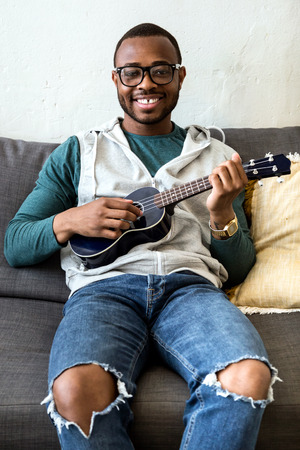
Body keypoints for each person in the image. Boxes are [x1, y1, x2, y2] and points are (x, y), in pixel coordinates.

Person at [5, 23, 278, 450]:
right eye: (131, 72)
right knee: (76, 390)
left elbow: (239, 267)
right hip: (102, 292)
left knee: (248, 377)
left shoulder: (220, 158)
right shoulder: (80, 151)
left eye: (161, 70)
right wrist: (73, 220)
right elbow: (15, 243)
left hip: (193, 290)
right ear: (116, 79)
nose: (146, 83)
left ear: (180, 76)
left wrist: (222, 210)